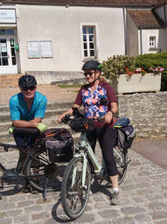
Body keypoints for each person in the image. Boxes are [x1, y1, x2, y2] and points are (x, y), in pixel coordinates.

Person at [57, 60, 120, 205]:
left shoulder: (106, 87)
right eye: (85, 74)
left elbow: (114, 105)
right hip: (89, 125)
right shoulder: (83, 89)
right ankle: (88, 183)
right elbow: (75, 108)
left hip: (104, 126)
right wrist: (64, 114)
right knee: (88, 155)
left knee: (108, 156)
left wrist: (110, 113)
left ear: (98, 73)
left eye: (90, 73)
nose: (87, 76)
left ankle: (115, 190)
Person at [9, 74, 47, 191]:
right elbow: (15, 122)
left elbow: (38, 119)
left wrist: (27, 124)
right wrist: (32, 124)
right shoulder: (14, 100)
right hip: (20, 130)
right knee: (23, 152)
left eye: (31, 88)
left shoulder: (42, 99)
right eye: (25, 88)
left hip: (34, 129)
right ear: (20, 89)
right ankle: (26, 178)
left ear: (35, 87)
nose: (29, 91)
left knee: (33, 153)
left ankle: (35, 179)